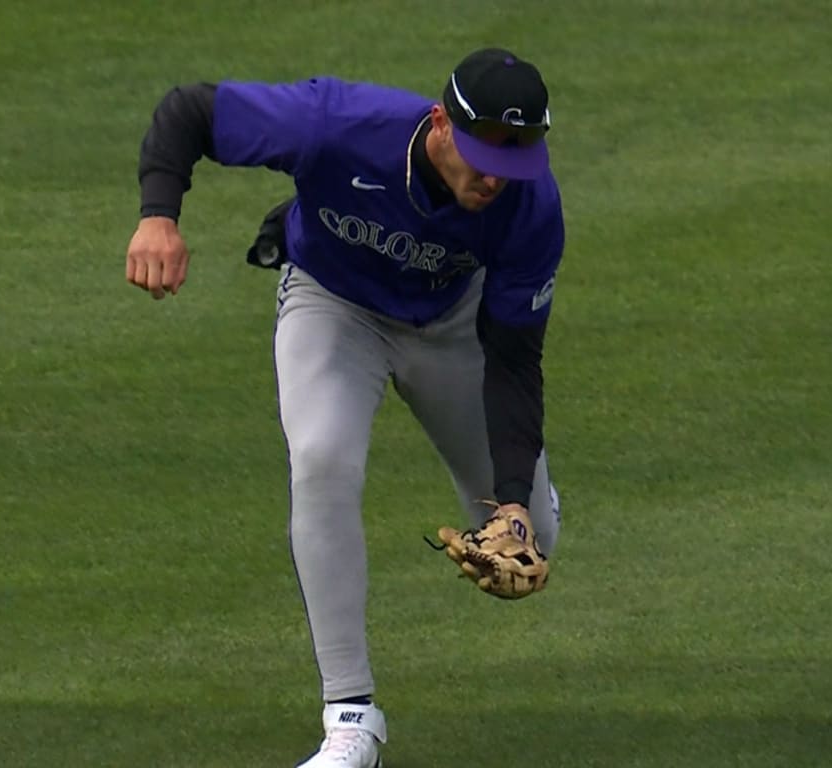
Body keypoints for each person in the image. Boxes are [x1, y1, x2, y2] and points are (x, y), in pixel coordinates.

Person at [125, 47, 565, 768]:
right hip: (334, 306)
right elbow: (190, 112)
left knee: (536, 530)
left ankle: (532, 497)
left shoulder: (531, 206)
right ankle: (352, 719)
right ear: (441, 125)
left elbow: (515, 362)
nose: (493, 178)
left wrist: (512, 503)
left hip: (452, 329)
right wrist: (157, 218)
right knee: (323, 459)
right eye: (483, 155)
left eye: (512, 163)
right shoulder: (337, 124)